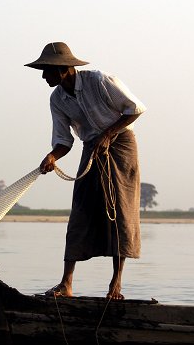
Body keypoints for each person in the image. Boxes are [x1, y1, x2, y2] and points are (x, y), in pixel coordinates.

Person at [25, 42, 147, 300]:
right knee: (80, 210)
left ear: (65, 69)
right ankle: (66, 283)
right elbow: (63, 140)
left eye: (47, 70)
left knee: (119, 210)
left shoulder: (100, 81)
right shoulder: (57, 98)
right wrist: (52, 156)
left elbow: (134, 109)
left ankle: (116, 284)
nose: (44, 76)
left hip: (121, 143)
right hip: (91, 146)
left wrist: (108, 134)